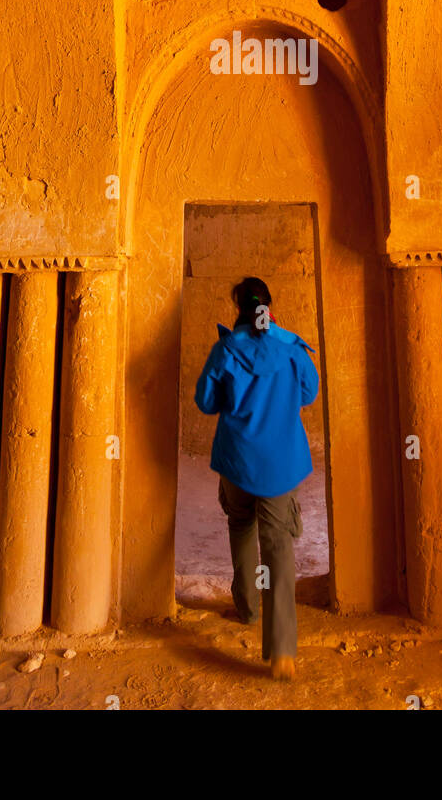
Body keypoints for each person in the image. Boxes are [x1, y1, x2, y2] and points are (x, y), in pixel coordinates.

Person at [194, 276, 319, 681]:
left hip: (238, 461)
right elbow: (308, 393)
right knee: (279, 546)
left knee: (240, 526)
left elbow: (206, 401)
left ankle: (247, 609)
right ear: (269, 305)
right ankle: (282, 651)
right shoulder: (291, 348)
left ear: (239, 308)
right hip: (281, 463)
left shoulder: (227, 349)